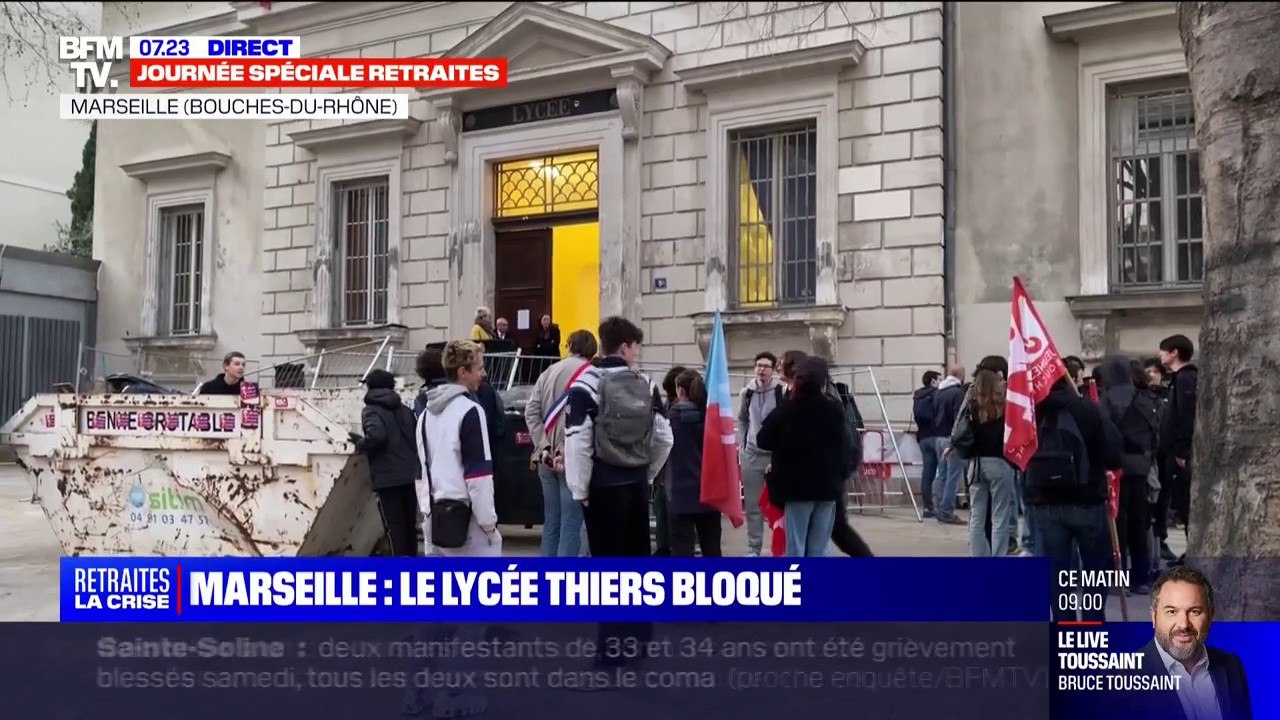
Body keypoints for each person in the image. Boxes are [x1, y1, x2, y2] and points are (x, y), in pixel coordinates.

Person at [563, 316, 673, 557]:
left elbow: (577, 441)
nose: (637, 352)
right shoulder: (647, 384)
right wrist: (647, 472)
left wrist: (580, 490)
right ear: (624, 347)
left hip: (601, 485)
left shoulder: (584, 384)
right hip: (636, 482)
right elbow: (665, 437)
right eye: (636, 347)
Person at [1025, 375, 1123, 622]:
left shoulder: (1029, 413)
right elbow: (1113, 455)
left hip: (1046, 502)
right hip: (1087, 500)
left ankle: (1064, 625)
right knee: (1094, 571)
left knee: (1057, 573)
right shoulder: (1089, 410)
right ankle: (1092, 623)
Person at [756, 356, 848, 557]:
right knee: (820, 547)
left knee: (795, 546)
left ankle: (798, 584)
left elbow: (763, 439)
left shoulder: (787, 410)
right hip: (827, 487)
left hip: (796, 488)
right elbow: (845, 445)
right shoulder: (835, 410)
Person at [416, 340, 500, 557]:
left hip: (436, 518)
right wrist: (489, 524)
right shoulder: (471, 411)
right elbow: (479, 475)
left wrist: (426, 516)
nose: (483, 374)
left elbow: (421, 472)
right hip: (468, 521)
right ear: (463, 372)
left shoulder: (425, 415)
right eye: (480, 368)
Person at [1139, 567, 1253, 720]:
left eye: (1194, 611)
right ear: (1154, 617)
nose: (1183, 624)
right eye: (1172, 612)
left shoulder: (1231, 666)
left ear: (1211, 615)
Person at [525, 329, 596, 558]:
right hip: (571, 460)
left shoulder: (548, 372)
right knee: (571, 524)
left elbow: (531, 412)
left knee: (552, 523)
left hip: (545, 459)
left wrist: (543, 447)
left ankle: (546, 578)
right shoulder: (592, 374)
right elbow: (583, 420)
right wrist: (564, 452)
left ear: (569, 345)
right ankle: (563, 583)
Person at [1100, 355, 1160, 594]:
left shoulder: (1107, 400)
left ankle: (1117, 578)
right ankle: (1141, 577)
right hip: (1141, 467)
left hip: (1116, 469)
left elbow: (1104, 434)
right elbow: (1155, 433)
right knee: (1139, 523)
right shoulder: (1144, 398)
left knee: (1118, 525)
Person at [353, 369, 419, 557]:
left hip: (388, 478)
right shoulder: (405, 410)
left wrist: (360, 443)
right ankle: (413, 567)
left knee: (394, 526)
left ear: (370, 387)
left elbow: (377, 436)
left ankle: (398, 570)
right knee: (409, 525)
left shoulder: (371, 410)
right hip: (410, 475)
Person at [666, 370, 722, 557]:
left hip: (680, 491)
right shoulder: (712, 418)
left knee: (682, 551)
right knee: (712, 549)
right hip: (710, 491)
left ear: (680, 390)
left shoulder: (671, 418)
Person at [961, 368, 1016, 558]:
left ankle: (977, 557)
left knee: (977, 515)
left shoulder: (972, 406)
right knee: (1000, 515)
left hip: (975, 464)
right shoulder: (1004, 406)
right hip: (999, 462)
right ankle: (998, 558)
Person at [737, 351, 784, 557]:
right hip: (752, 454)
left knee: (779, 503)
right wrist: (742, 444)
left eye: (765, 366)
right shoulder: (746, 392)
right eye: (758, 365)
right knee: (753, 504)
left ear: (773, 370)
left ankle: (780, 547)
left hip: (775, 455)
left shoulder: (781, 392)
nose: (761, 369)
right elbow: (742, 419)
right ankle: (753, 548)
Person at [1159, 334, 1198, 566]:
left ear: (1174, 353)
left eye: (1163, 350)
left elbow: (1186, 415)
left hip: (1180, 453)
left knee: (1185, 503)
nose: (1160, 355)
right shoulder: (1179, 379)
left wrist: (1182, 451)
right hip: (1175, 451)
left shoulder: (1185, 379)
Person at [651, 365, 687, 558]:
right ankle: (667, 545)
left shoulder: (669, 408)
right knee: (662, 507)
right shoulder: (670, 406)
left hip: (668, 466)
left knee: (664, 507)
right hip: (669, 466)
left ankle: (666, 545)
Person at [931, 364, 967, 525]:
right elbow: (959, 418)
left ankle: (939, 508)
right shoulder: (957, 393)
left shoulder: (939, 392)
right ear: (960, 375)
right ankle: (947, 511)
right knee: (953, 476)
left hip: (938, 437)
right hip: (950, 439)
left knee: (943, 475)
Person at [913, 370, 943, 518]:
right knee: (943, 473)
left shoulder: (918, 396)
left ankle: (927, 507)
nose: (941, 382)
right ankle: (942, 507)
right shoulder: (937, 394)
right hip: (936, 436)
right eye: (939, 379)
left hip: (923, 437)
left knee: (927, 474)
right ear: (933, 381)